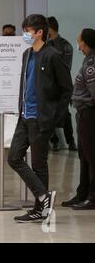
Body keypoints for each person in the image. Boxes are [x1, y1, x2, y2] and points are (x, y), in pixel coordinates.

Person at [8, 14, 73, 223]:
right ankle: (44, 198)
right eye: (24, 31)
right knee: (14, 157)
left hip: (41, 119)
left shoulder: (52, 55)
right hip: (25, 116)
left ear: (39, 33)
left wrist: (55, 119)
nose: (25, 35)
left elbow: (66, 89)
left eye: (28, 31)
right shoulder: (26, 54)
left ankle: (40, 209)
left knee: (39, 165)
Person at [62, 29, 95, 210]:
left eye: (79, 41)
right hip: (84, 114)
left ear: (85, 42)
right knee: (84, 157)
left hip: (90, 114)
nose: (78, 45)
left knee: (92, 157)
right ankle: (83, 194)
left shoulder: (92, 63)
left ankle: (93, 197)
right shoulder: (87, 59)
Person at [47, 17, 78, 152]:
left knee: (65, 114)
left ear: (50, 29)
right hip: (48, 86)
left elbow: (66, 68)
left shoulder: (65, 45)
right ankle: (54, 141)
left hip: (62, 87)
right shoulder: (44, 45)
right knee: (49, 113)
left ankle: (71, 141)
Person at [0, 24, 17, 149]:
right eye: (5, 34)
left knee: (14, 115)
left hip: (14, 87)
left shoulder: (19, 48)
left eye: (10, 34)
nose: (8, 36)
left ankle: (13, 140)